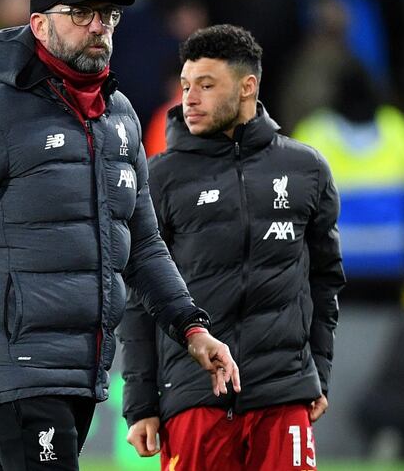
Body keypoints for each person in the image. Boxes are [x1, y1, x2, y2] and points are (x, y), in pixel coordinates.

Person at [0, 0, 240, 471]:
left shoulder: (119, 117)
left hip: (82, 366)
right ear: (39, 25)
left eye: (107, 15)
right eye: (81, 13)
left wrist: (191, 327)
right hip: (18, 364)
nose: (98, 26)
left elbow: (142, 244)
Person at [120, 24, 345, 470]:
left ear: (247, 87)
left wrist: (316, 373)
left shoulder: (306, 170)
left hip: (284, 396)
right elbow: (140, 299)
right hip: (194, 395)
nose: (190, 98)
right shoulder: (159, 178)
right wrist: (141, 403)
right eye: (186, 86)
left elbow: (325, 282)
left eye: (206, 85)